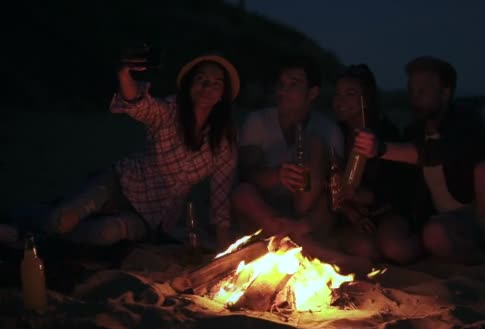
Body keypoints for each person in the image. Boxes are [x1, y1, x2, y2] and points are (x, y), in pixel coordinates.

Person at [353, 56, 485, 279]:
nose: (415, 95)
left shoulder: (467, 122)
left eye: (424, 89)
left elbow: (434, 153)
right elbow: (405, 182)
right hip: (447, 223)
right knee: (428, 237)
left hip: (484, 216)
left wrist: (381, 149)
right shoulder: (414, 131)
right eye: (412, 88)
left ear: (445, 92)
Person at [45, 53, 240, 249]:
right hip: (120, 184)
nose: (207, 87)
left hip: (152, 217)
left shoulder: (223, 139)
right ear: (189, 84)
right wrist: (124, 74)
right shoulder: (170, 110)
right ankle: (39, 229)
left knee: (106, 233)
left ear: (222, 93)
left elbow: (220, 194)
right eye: (201, 79)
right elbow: (140, 105)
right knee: (64, 219)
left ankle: (66, 236)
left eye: (216, 83)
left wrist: (224, 249)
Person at [232, 55, 344, 241]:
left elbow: (337, 187)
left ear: (312, 93)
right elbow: (247, 174)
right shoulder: (258, 121)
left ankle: (292, 233)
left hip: (310, 216)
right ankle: (293, 237)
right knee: (242, 193)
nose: (283, 90)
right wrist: (277, 175)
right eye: (281, 84)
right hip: (266, 211)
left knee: (316, 146)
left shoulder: (328, 129)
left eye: (294, 84)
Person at [332, 64, 422, 264]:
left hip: (386, 210)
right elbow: (330, 187)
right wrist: (353, 213)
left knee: (395, 248)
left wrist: (360, 196)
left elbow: (397, 191)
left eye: (350, 94)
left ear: (367, 98)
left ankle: (428, 247)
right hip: (349, 213)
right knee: (367, 250)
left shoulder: (384, 134)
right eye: (337, 94)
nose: (340, 101)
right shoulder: (334, 134)